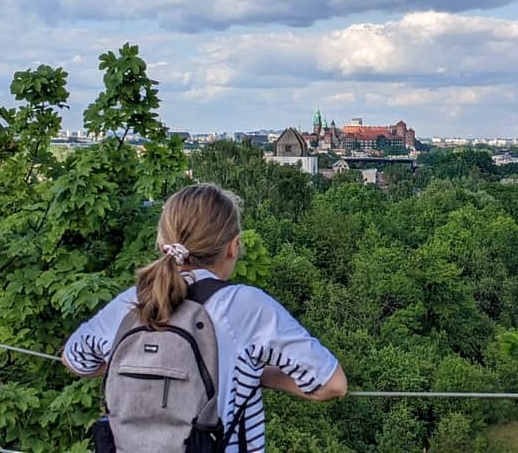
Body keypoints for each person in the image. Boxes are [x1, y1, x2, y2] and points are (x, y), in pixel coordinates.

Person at [62, 183, 347, 452]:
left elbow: (76, 360)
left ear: (163, 242)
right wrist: (254, 373)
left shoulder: (134, 300)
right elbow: (331, 384)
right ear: (233, 246)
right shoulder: (245, 306)